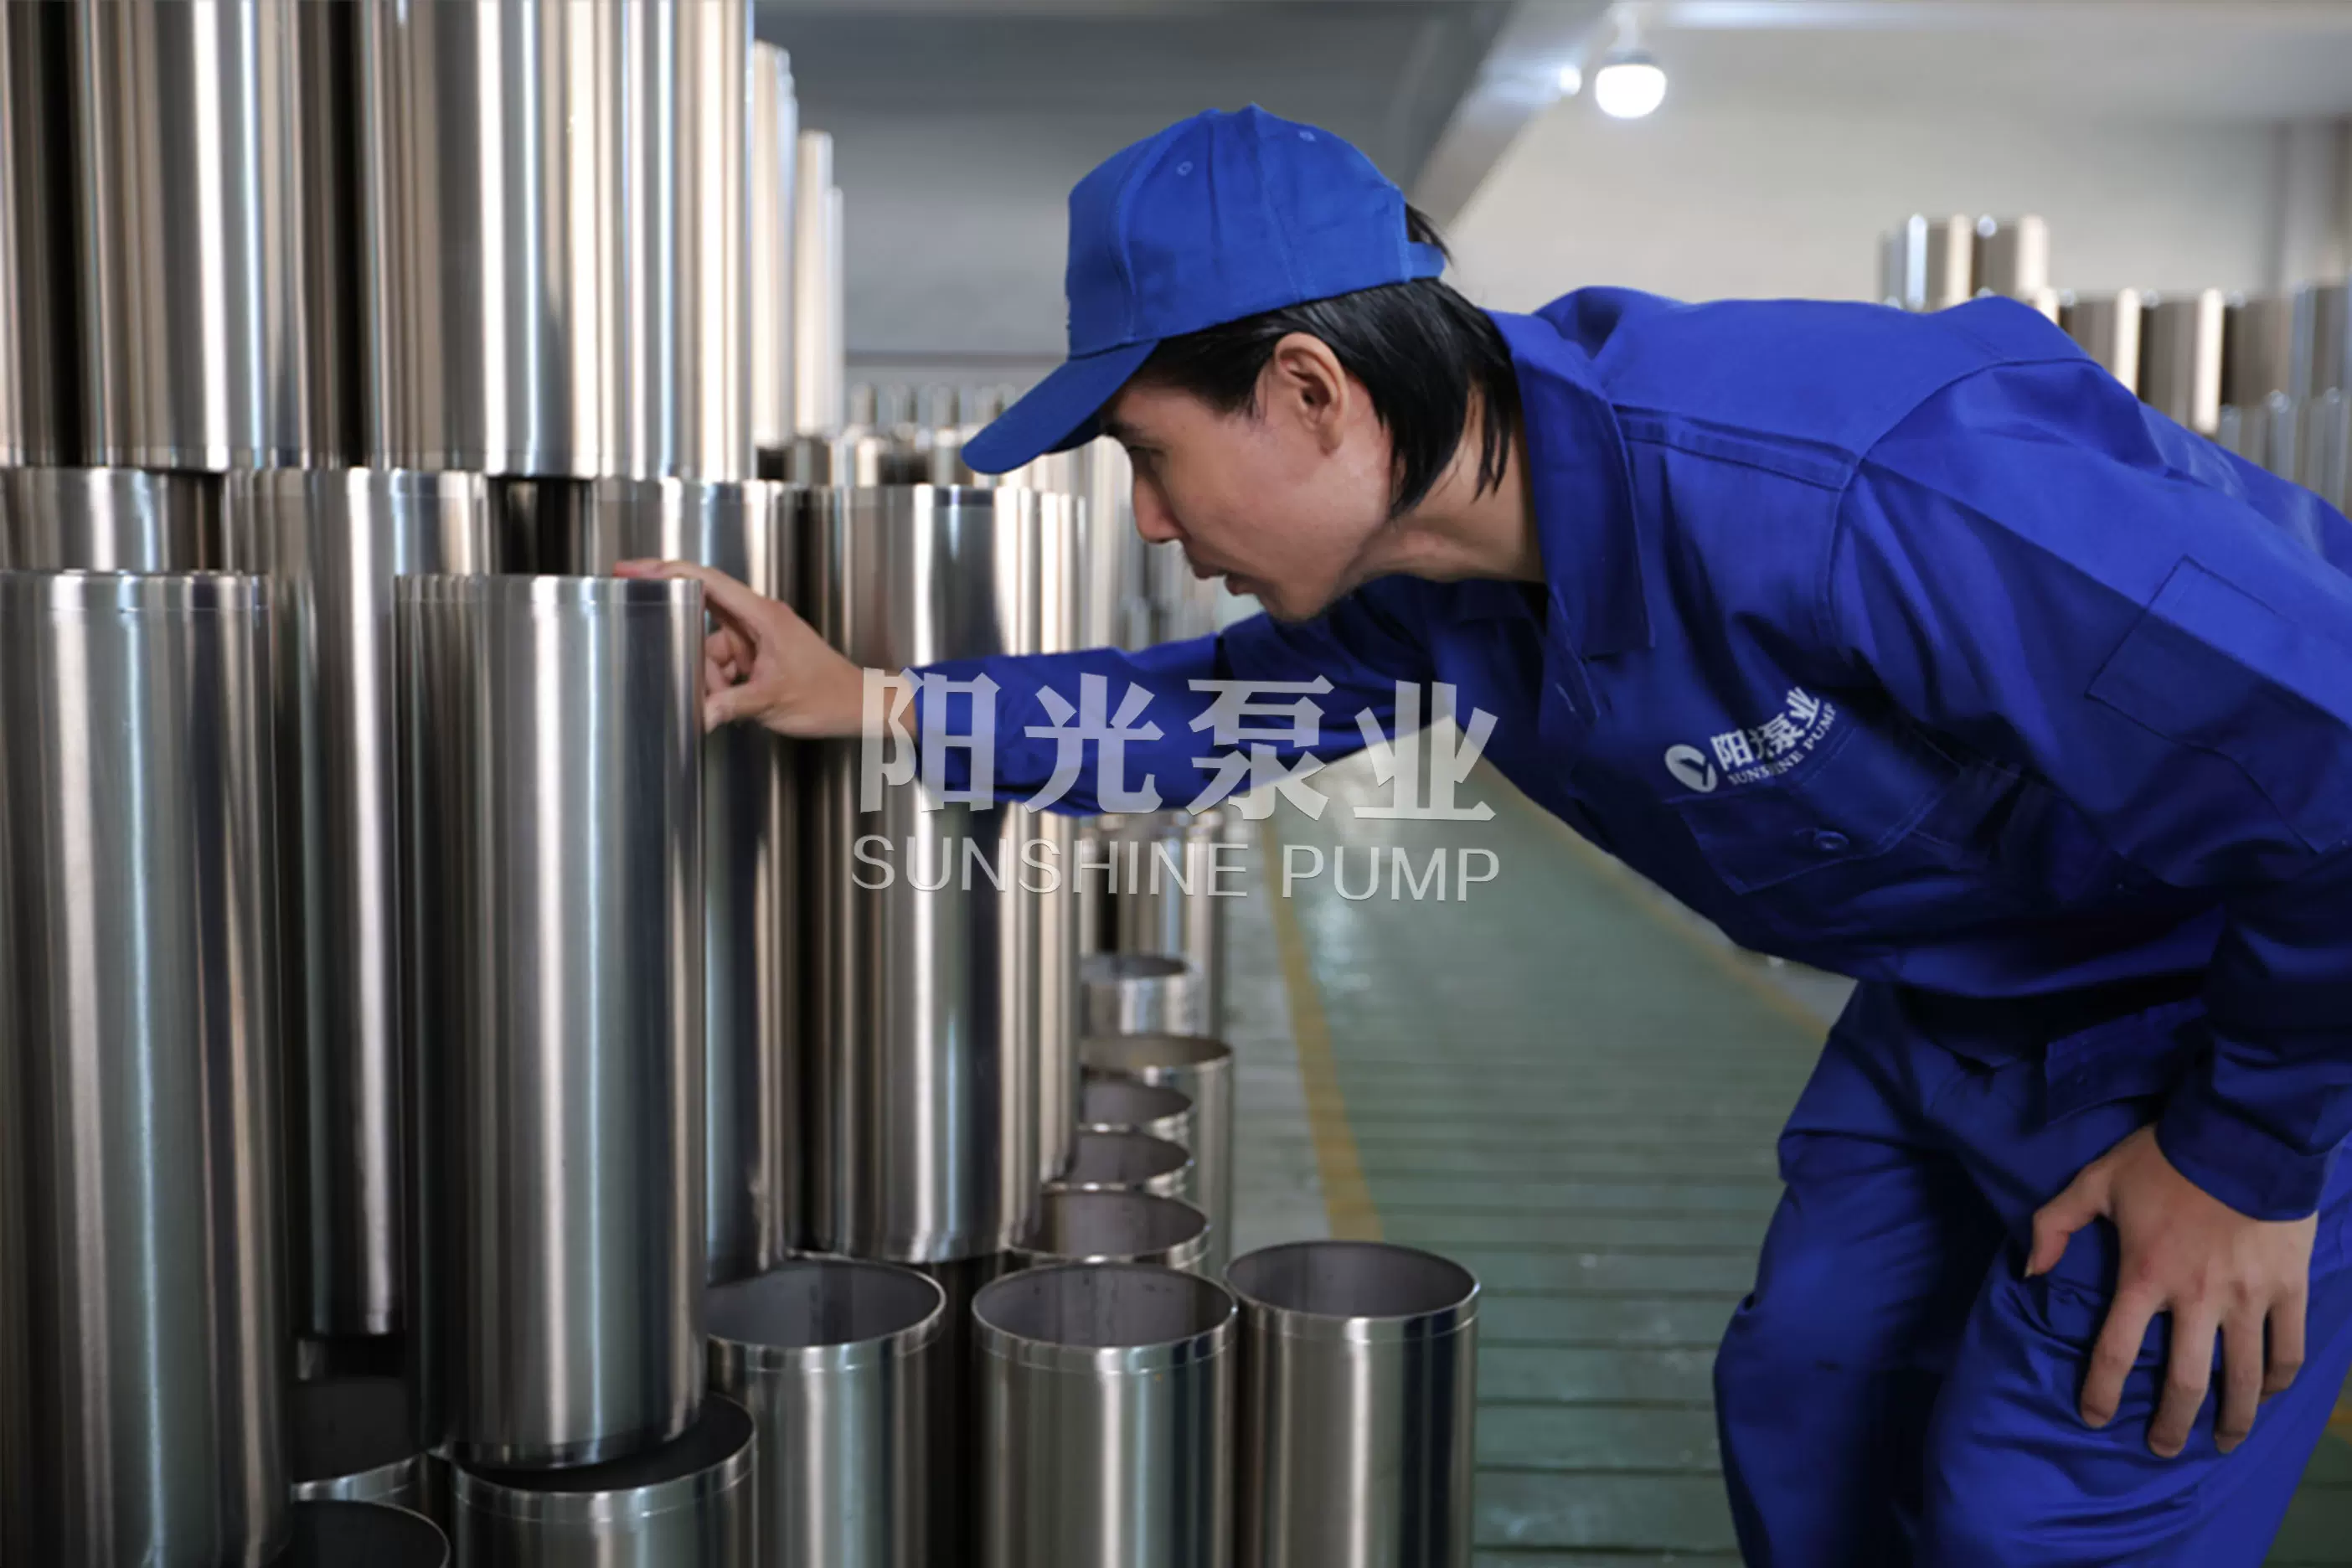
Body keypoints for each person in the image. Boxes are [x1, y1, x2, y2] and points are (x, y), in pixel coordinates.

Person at [621, 106, 2352, 1564]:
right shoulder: (1438, 572)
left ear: (1311, 390)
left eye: (1149, 455)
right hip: (1964, 1005)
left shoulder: (1849, 488)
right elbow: (1208, 714)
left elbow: (2333, 770)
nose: (1148, 521)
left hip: (2256, 1014)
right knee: (1813, 1407)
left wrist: (2245, 1161)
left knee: (2031, 1515)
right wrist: (868, 700)